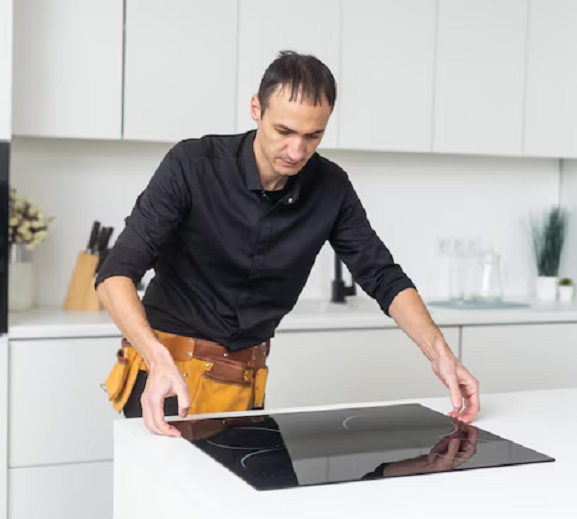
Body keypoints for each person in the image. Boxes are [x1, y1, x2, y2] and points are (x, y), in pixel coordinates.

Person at [96, 50, 480, 437]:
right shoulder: (192, 165)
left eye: (313, 136)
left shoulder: (331, 187)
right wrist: (155, 357)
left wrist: (440, 353)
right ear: (256, 109)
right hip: (167, 380)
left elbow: (382, 275)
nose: (297, 151)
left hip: (245, 385)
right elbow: (114, 275)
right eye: (284, 131)